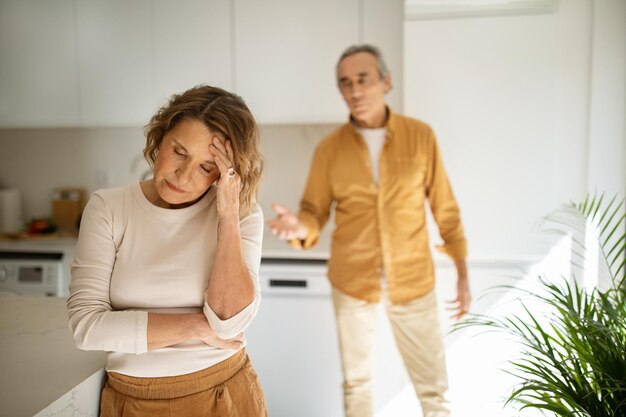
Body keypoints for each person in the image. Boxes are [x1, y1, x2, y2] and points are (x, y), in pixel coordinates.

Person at [268, 44, 470, 417]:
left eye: (363, 80)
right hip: (352, 280)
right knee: (357, 384)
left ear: (386, 81)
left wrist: (462, 275)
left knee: (434, 390)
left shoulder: (421, 136)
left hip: (413, 279)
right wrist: (300, 225)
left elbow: (446, 209)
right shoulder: (329, 150)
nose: (355, 91)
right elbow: (314, 211)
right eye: (345, 83)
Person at [67, 85, 267, 417]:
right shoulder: (108, 208)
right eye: (179, 152)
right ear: (160, 139)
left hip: (224, 395)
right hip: (132, 401)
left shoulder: (241, 213)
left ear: (224, 173)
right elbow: (87, 327)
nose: (183, 175)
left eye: (206, 167)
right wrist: (197, 327)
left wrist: (227, 216)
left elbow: (229, 324)